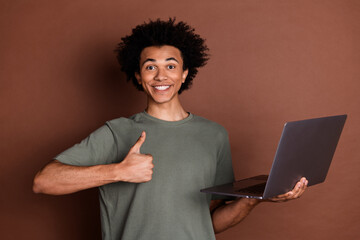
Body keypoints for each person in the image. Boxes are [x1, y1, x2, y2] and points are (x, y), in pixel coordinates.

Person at [33, 18, 307, 240]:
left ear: (185, 73)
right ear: (139, 77)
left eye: (170, 66)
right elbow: (43, 181)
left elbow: (208, 221)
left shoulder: (214, 135)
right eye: (150, 67)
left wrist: (253, 199)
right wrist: (118, 172)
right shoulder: (118, 132)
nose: (161, 76)